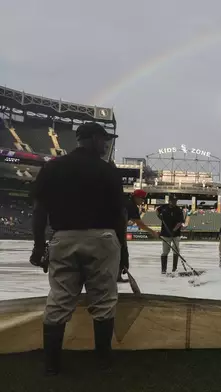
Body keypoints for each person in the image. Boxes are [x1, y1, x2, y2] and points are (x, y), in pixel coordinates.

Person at [29, 122, 124, 375]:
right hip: (102, 238)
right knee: (103, 300)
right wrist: (124, 253)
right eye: (104, 140)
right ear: (92, 139)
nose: (106, 145)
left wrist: (39, 246)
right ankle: (103, 360)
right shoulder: (108, 171)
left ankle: (51, 365)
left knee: (59, 300)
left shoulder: (52, 167)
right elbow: (119, 216)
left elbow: (39, 210)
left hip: (63, 237)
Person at [120, 189, 159, 282]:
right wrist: (152, 231)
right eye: (142, 199)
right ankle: (117, 275)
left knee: (120, 254)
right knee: (122, 254)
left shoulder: (126, 201)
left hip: (114, 229)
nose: (142, 201)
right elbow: (139, 224)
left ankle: (117, 275)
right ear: (136, 197)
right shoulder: (131, 206)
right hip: (116, 231)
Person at [156, 195, 185, 274]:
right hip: (165, 233)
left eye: (176, 201)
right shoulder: (164, 207)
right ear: (169, 201)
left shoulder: (179, 210)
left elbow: (180, 222)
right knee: (165, 251)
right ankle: (163, 270)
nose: (175, 202)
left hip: (176, 234)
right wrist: (159, 216)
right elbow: (157, 210)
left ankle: (174, 269)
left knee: (176, 251)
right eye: (173, 200)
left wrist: (174, 230)